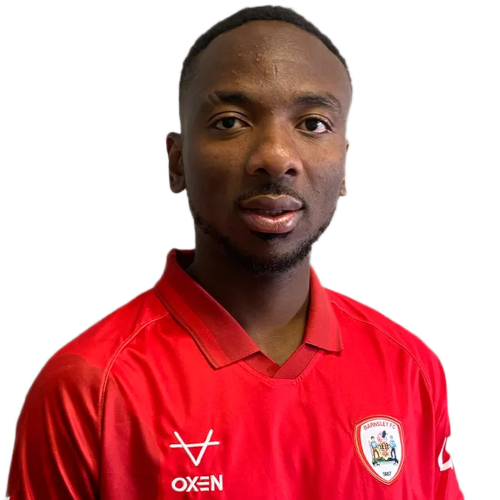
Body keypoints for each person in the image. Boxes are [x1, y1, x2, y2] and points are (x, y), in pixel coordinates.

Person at [3, 4, 465, 499]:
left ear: (345, 166)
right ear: (177, 163)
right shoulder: (85, 388)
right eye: (229, 122)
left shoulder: (412, 367)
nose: (276, 157)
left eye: (312, 124)